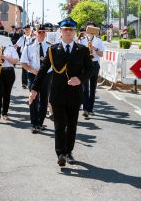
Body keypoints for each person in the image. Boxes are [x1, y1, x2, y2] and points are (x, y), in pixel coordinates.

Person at [29, 17, 94, 166]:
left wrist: (80, 79)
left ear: (75, 32)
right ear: (60, 32)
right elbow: (43, 71)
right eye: (66, 29)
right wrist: (34, 89)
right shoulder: (52, 50)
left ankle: (69, 152)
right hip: (57, 94)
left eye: (71, 29)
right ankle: (60, 154)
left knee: (71, 125)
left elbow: (90, 69)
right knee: (59, 125)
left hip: (75, 93)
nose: (68, 32)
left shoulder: (82, 50)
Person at [20, 24, 52, 133]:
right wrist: (33, 70)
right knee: (33, 99)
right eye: (39, 32)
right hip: (33, 75)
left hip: (46, 75)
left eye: (43, 32)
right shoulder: (29, 46)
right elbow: (23, 63)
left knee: (44, 100)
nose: (42, 34)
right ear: (35, 33)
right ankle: (34, 123)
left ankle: (40, 123)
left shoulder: (50, 47)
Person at [79, 22, 105, 118]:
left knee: (93, 87)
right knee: (85, 87)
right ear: (86, 30)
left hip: (94, 64)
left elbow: (101, 54)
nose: (91, 31)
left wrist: (95, 48)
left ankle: (90, 108)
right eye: (89, 29)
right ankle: (85, 109)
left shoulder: (98, 41)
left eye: (93, 29)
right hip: (85, 65)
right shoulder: (82, 40)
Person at [16, 24, 35, 89]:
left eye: (28, 29)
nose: (27, 31)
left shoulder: (33, 37)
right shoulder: (22, 38)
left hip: (32, 55)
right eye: (25, 29)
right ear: (24, 30)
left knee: (31, 68)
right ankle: (24, 83)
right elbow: (17, 45)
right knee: (24, 69)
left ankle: (31, 81)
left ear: (30, 29)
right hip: (24, 55)